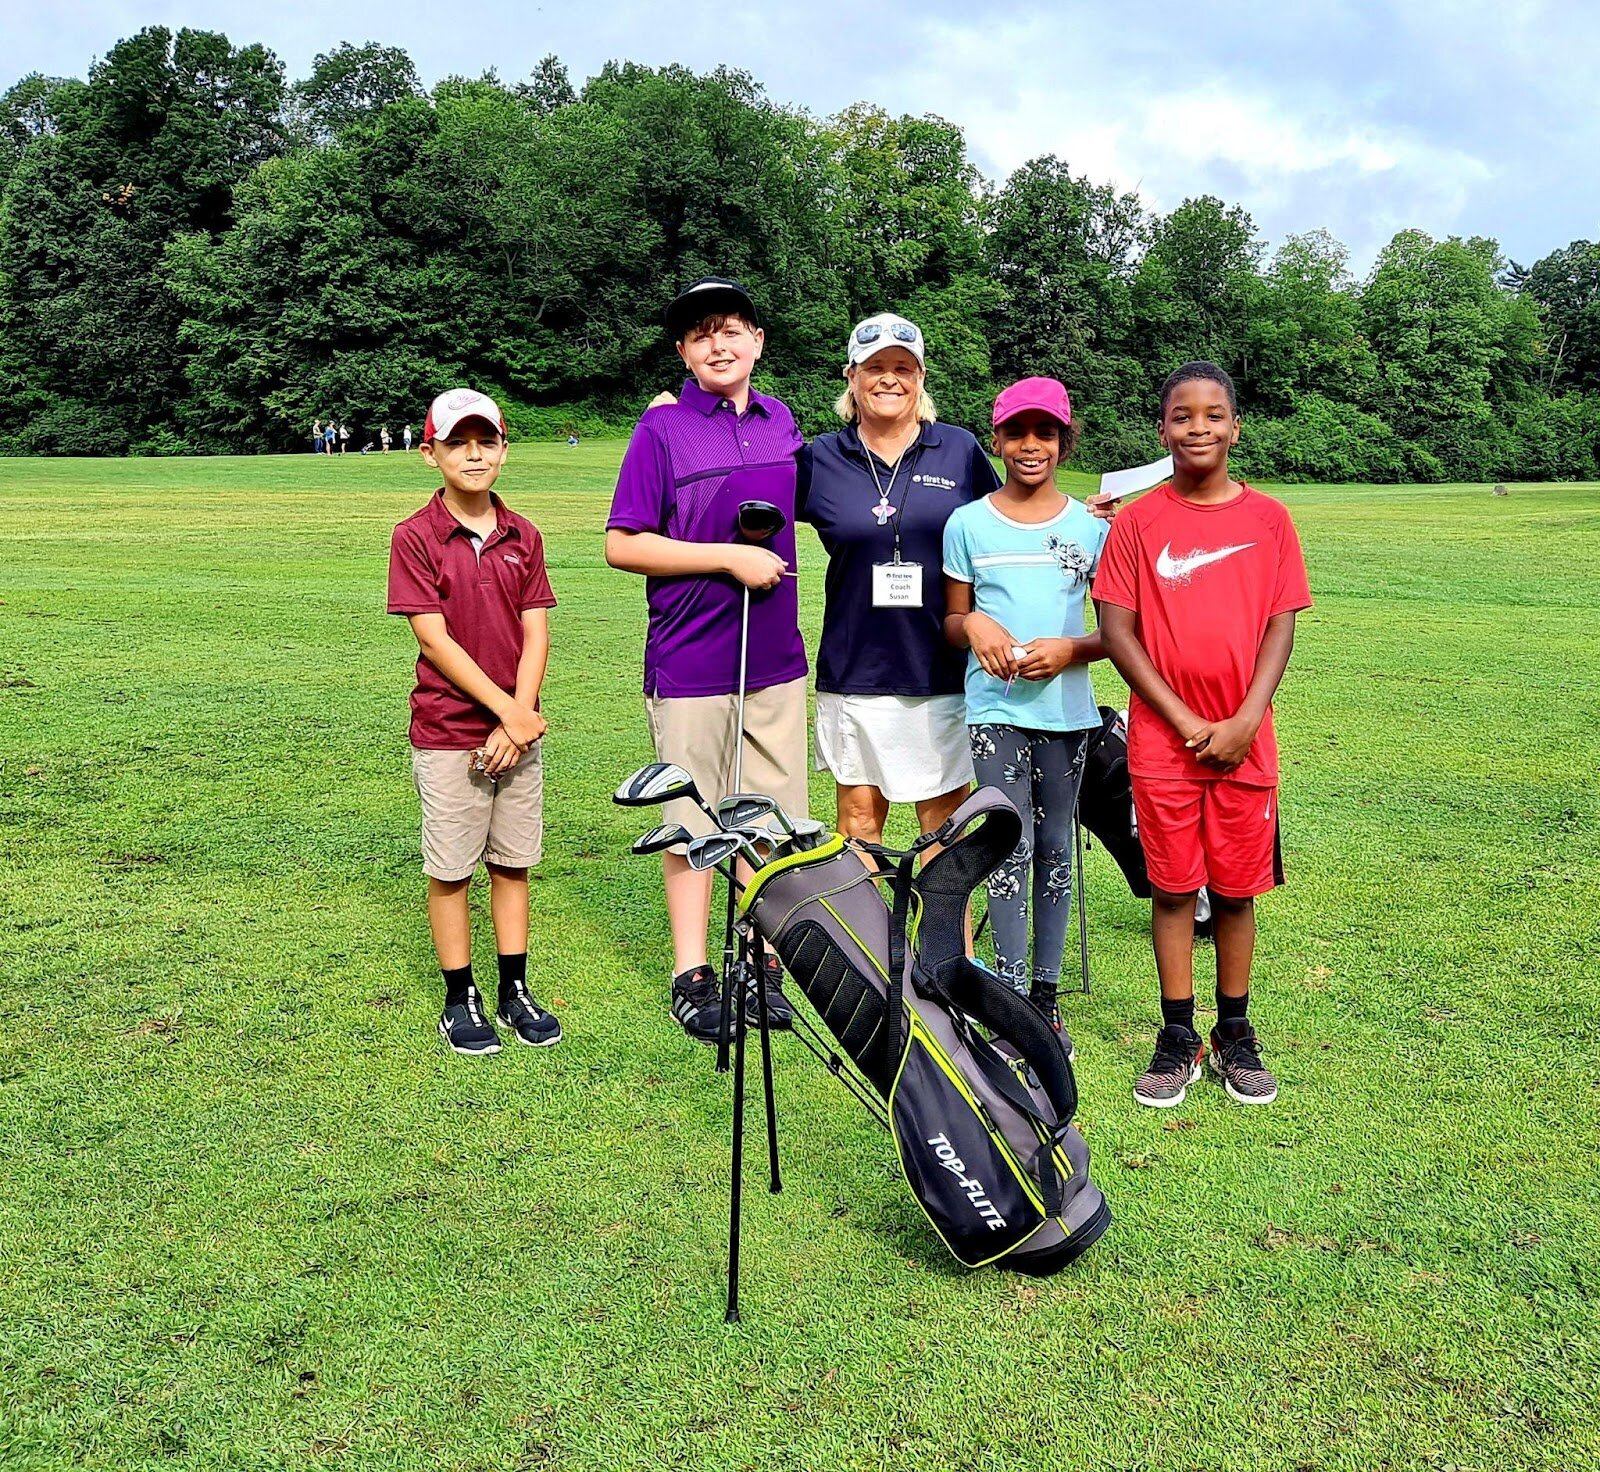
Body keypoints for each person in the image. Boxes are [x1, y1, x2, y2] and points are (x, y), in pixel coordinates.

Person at [1093, 361, 1311, 1108]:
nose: (1198, 428)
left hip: (1247, 741)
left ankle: (1236, 1033)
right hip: (1163, 743)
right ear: (1161, 430)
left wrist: (1247, 716)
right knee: (1175, 889)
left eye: (1213, 415)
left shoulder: (1269, 519)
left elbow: (1281, 622)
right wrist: (1186, 722)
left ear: (1235, 427)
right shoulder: (1138, 521)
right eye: (1182, 416)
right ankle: (1178, 1035)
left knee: (1239, 892)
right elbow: (1117, 632)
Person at [605, 276, 807, 1044]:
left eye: (732, 329)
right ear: (684, 354)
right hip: (691, 659)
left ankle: (761, 961)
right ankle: (693, 973)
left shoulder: (782, 423)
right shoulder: (660, 432)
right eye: (701, 334)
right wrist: (726, 558)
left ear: (758, 341)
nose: (718, 344)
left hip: (776, 662)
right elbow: (623, 543)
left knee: (770, 822)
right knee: (692, 823)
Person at [386, 388, 562, 1057]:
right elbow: (434, 640)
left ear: (504, 450)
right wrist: (510, 713)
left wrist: (519, 719)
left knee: (512, 864)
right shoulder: (416, 536)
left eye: (485, 440)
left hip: (517, 729)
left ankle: (514, 989)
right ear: (430, 453)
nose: (474, 454)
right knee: (454, 870)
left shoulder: (525, 535)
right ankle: (460, 996)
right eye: (457, 442)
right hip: (449, 729)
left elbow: (536, 630)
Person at [942, 378, 1109, 1048]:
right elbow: (952, 619)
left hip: (1067, 715)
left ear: (1064, 442)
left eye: (1045, 433)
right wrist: (975, 624)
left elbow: (1118, 631)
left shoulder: (1091, 528)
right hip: (995, 713)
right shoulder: (968, 523)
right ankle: (1008, 998)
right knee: (1006, 850)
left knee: (1057, 851)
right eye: (1017, 433)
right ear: (998, 440)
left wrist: (1072, 649)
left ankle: (1045, 993)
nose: (1030, 446)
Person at [798, 314, 1001, 846]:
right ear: (851, 377)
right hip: (854, 665)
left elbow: (1008, 520)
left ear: (921, 378)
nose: (889, 379)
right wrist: (677, 419)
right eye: (875, 368)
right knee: (859, 824)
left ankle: (939, 934)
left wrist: (1078, 517)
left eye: (903, 368)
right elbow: (747, 497)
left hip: (941, 664)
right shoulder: (819, 458)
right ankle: (868, 934)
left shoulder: (958, 449)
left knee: (944, 826)